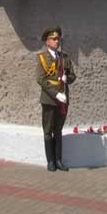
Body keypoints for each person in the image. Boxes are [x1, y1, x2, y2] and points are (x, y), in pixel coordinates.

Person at [36, 26, 76, 172]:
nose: (56, 41)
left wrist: (67, 79)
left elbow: (73, 75)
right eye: (53, 39)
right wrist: (55, 94)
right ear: (47, 41)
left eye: (58, 38)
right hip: (49, 99)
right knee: (48, 130)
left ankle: (59, 160)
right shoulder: (42, 57)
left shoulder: (64, 57)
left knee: (58, 130)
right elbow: (40, 79)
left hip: (63, 98)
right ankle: (50, 162)